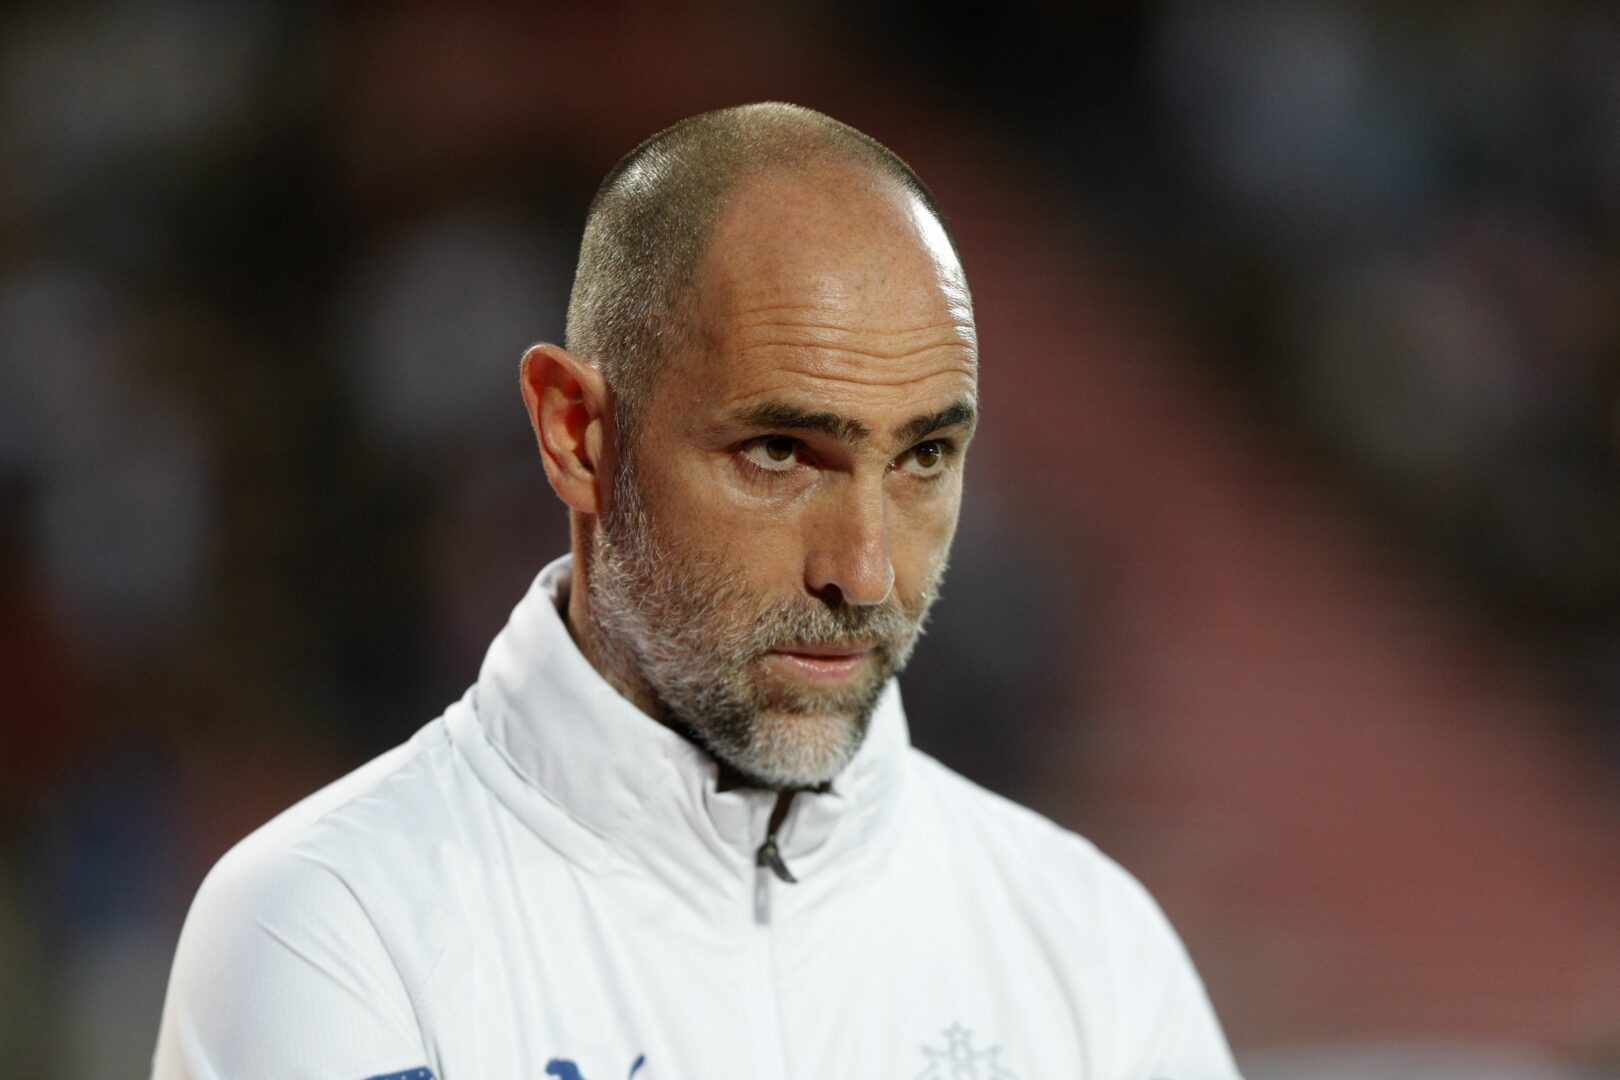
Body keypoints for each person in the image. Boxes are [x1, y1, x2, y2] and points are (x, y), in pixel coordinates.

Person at [152, 103, 1242, 1079]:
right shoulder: (333, 926)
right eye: (780, 453)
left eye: (923, 459)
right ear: (577, 435)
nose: (864, 571)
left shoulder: (1093, 952)